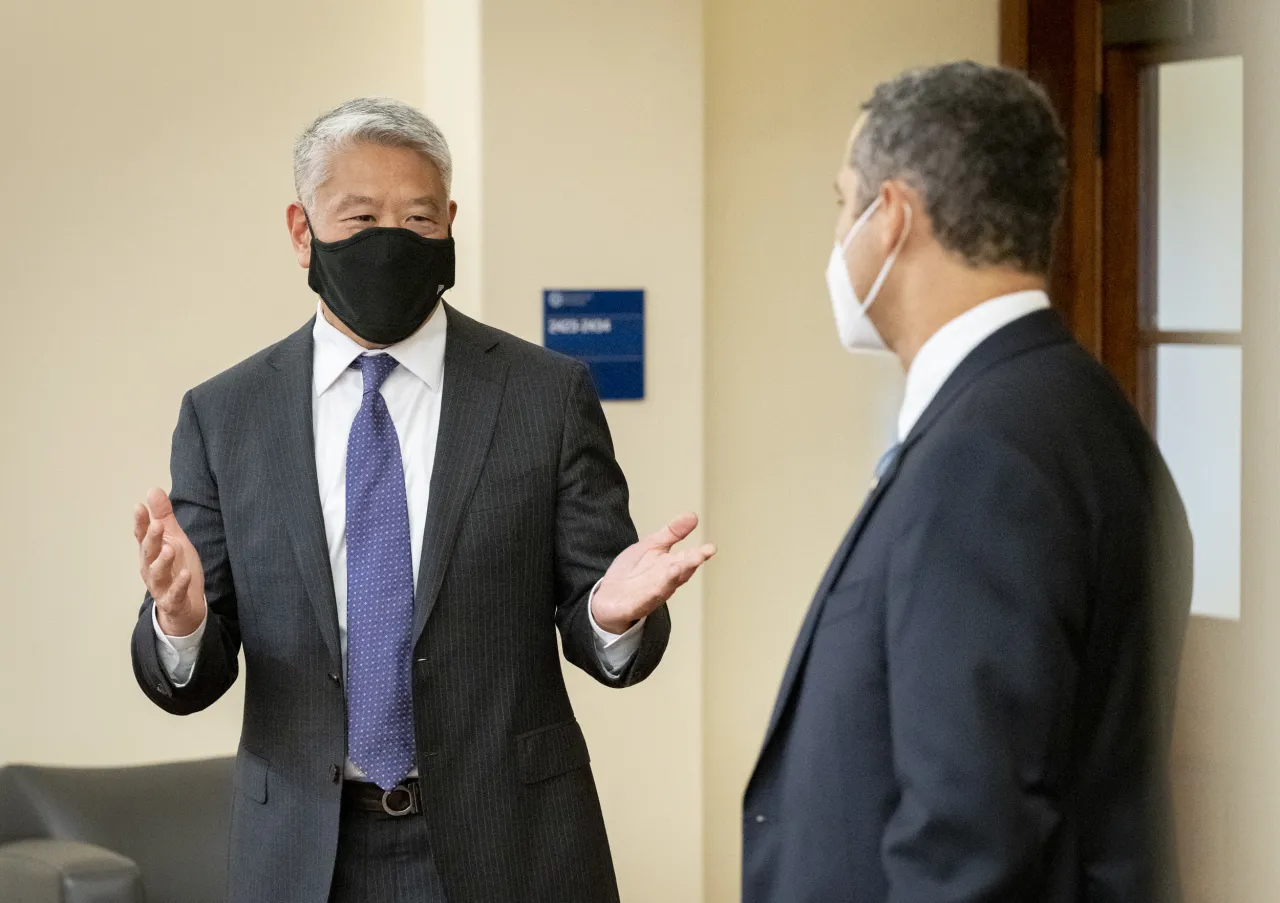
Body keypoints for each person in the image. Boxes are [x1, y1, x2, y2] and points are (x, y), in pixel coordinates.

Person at [130, 97, 714, 903]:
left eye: (417, 218)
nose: (391, 240)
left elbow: (598, 620)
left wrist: (612, 615)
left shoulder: (544, 395)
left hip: (512, 843)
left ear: (450, 224)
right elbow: (190, 677)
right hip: (305, 854)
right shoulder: (225, 415)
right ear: (302, 231)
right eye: (361, 216)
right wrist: (183, 622)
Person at [742, 62, 1192, 903]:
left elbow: (969, 835)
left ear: (893, 217)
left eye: (844, 203)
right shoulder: (1077, 409)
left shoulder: (987, 461)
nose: (839, 235)